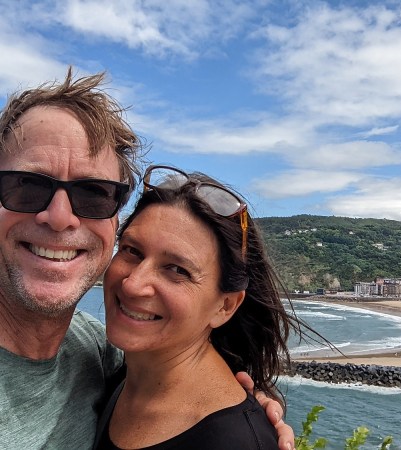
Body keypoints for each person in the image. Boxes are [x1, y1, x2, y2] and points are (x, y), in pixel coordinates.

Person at [0, 70, 295, 449]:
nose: (59, 217)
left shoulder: (96, 351)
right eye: (26, 184)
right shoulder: (112, 360)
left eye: (93, 193)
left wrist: (246, 422)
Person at [95, 165, 310, 449]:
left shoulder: (235, 441)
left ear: (225, 306)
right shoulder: (112, 376)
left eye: (177, 269)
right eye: (132, 250)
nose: (133, 285)